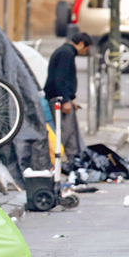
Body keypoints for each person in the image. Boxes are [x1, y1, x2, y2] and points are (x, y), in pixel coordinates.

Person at [44, 32, 92, 170]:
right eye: (85, 49)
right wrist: (65, 100)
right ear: (81, 43)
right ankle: (55, 159)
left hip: (61, 97)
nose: (84, 53)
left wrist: (71, 99)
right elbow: (61, 78)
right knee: (64, 130)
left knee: (70, 130)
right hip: (58, 98)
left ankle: (74, 160)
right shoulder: (67, 54)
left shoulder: (65, 51)